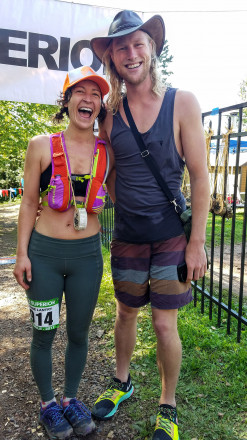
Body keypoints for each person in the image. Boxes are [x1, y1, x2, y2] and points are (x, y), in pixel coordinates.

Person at [89, 10, 210, 440]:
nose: (131, 53)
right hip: (127, 234)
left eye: (138, 43)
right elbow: (104, 171)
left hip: (171, 236)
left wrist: (197, 243)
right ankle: (122, 382)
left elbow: (200, 175)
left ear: (152, 48)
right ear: (113, 59)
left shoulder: (183, 102)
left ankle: (168, 406)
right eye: (121, 47)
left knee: (164, 324)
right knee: (124, 313)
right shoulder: (109, 114)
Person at [13, 66, 110, 440]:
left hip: (88, 257)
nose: (88, 99)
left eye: (95, 94)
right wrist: (22, 255)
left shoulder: (109, 151)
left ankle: (71, 399)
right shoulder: (40, 145)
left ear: (100, 106)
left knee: (79, 334)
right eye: (80, 92)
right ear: (66, 100)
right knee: (44, 334)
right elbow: (28, 203)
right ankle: (47, 404)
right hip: (45, 255)